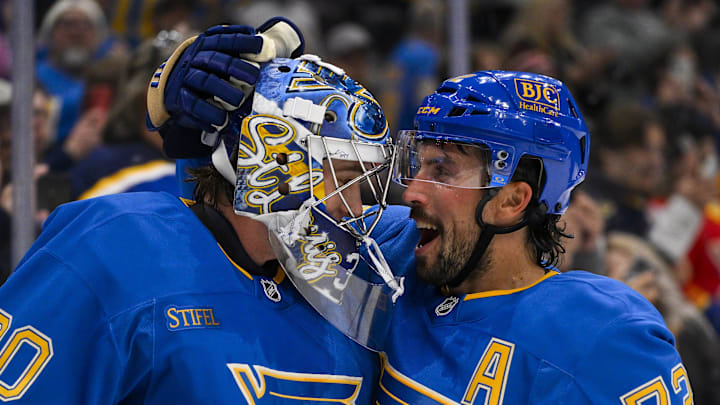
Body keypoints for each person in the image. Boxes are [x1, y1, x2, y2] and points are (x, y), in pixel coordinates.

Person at [0, 19, 403, 403]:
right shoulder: (115, 247)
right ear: (272, 158)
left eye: (361, 183)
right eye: (342, 176)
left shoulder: (362, 269)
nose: (356, 208)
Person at [373, 71, 692, 403]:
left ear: (512, 201)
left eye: (442, 170)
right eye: (417, 165)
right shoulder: (393, 247)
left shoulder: (600, 340)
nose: (411, 192)